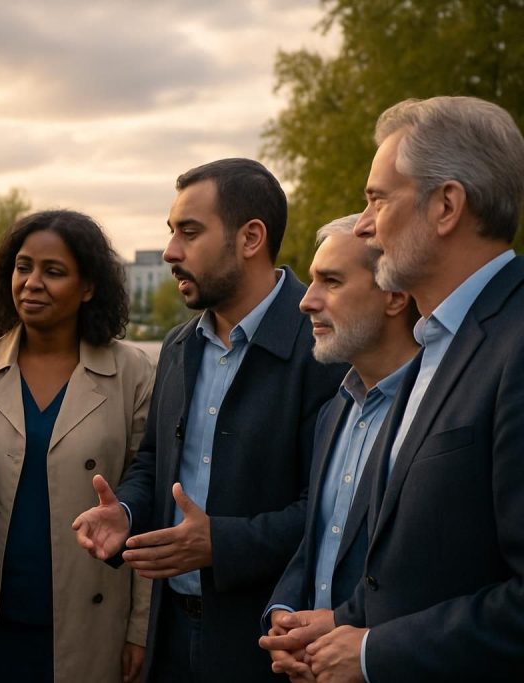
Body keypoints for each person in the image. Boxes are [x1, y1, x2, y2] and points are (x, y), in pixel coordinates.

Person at [73, 158, 346, 682]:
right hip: (170, 636)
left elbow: (335, 511)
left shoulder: (325, 344)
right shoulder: (179, 345)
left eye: (190, 233)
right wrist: (126, 513)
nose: (172, 252)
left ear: (250, 238)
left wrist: (219, 543)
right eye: (171, 232)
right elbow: (156, 459)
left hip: (271, 645)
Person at [292, 97, 524, 681]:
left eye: (377, 198)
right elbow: (429, 564)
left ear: (446, 205)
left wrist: (375, 653)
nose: (364, 225)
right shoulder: (435, 345)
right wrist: (344, 621)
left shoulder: (515, 344)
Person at [0, 210, 154, 683]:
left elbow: (150, 502)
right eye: (23, 267)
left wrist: (141, 627)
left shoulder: (133, 374)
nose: (32, 283)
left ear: (88, 287)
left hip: (91, 621)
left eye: (54, 271)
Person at [257, 214, 419, 680]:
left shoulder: (438, 410)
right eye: (311, 282)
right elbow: (321, 537)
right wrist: (284, 619)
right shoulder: (336, 410)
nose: (306, 301)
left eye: (331, 281)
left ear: (395, 295)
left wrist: (353, 635)